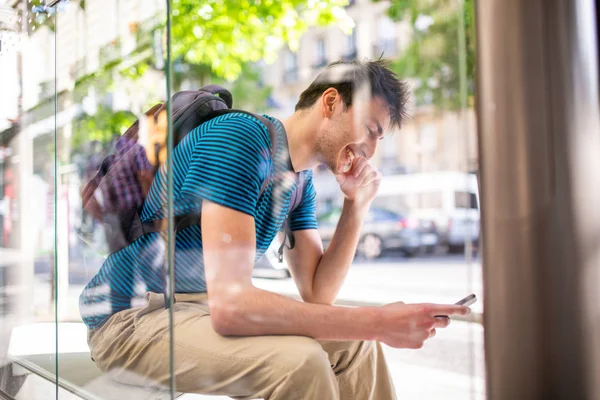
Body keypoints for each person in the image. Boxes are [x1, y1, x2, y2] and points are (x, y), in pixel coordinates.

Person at [80, 59, 470, 400]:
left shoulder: (299, 181)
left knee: (357, 346)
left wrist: (356, 206)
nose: (370, 149)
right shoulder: (241, 139)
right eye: (370, 129)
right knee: (299, 363)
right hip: (131, 320)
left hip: (194, 310)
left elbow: (318, 293)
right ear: (331, 102)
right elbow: (233, 307)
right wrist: (378, 321)